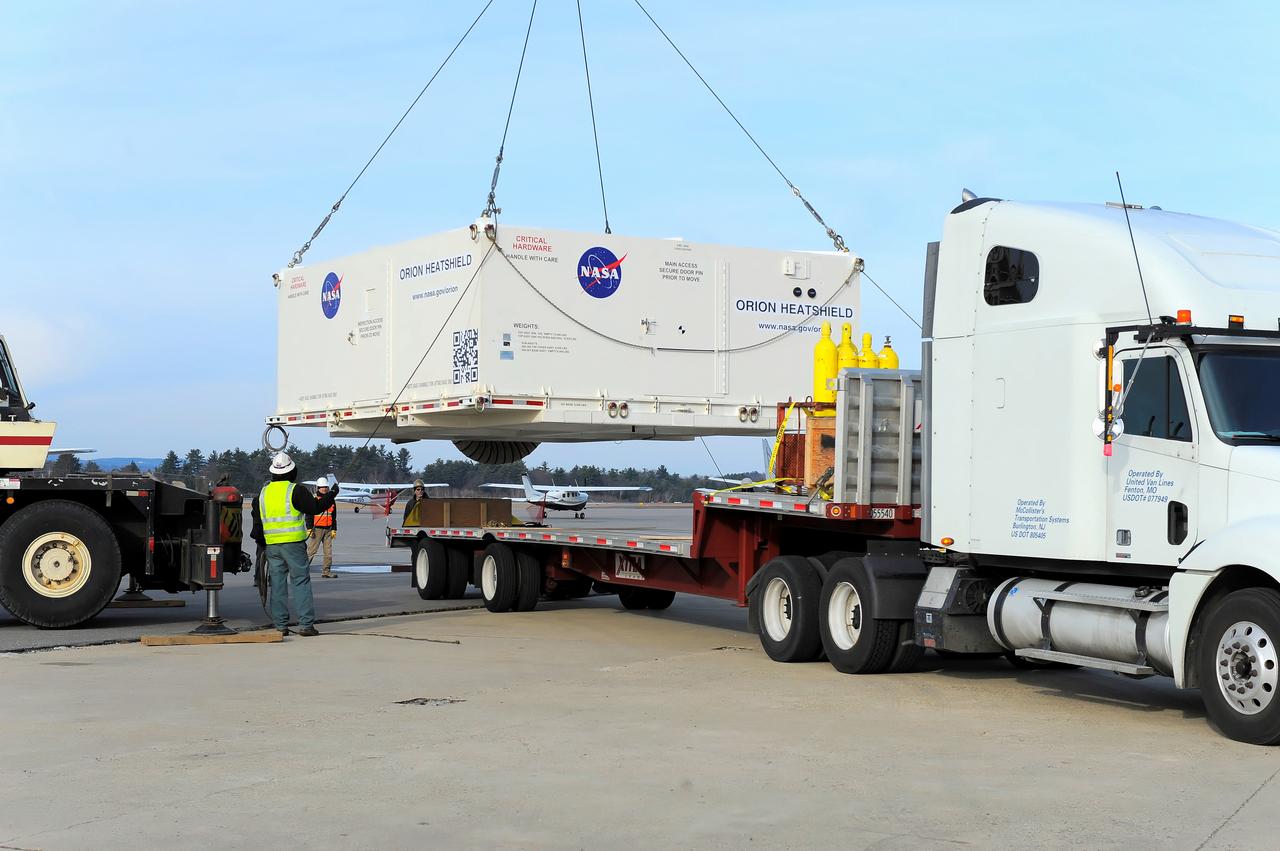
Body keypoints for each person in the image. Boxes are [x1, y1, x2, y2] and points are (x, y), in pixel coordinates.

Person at [250, 452, 339, 637]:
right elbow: (315, 508)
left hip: (272, 546)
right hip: (293, 545)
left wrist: (262, 544)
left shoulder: (263, 493)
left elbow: (257, 522)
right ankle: (306, 625)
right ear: (292, 471)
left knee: (277, 584)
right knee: (300, 582)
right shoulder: (295, 490)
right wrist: (331, 495)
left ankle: (281, 626)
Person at [306, 475, 339, 579]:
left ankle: (326, 572)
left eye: (325, 487)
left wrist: (334, 528)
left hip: (328, 529)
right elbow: (309, 515)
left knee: (328, 553)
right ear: (318, 488)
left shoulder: (331, 500)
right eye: (322, 487)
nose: (324, 488)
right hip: (317, 529)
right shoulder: (314, 499)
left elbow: (333, 515)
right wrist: (309, 528)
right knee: (311, 552)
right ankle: (302, 570)